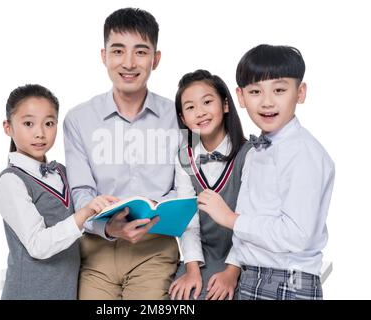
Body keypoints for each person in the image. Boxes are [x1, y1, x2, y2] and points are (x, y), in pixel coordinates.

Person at [197, 44, 335, 300]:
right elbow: (253, 216)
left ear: (300, 92)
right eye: (255, 91)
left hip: (288, 282)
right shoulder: (255, 152)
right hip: (252, 277)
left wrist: (230, 219)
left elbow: (298, 235)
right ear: (240, 97)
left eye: (280, 90)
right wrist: (234, 267)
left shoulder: (303, 153)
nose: (267, 101)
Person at [63, 7, 181, 300]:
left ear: (156, 59)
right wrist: (108, 227)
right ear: (104, 56)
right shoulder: (78, 119)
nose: (128, 63)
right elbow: (81, 191)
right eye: (118, 51)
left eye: (141, 52)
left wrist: (157, 209)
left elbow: (185, 187)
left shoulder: (178, 116)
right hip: (96, 249)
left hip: (154, 248)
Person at [0, 84, 116, 299]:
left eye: (49, 123)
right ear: (8, 127)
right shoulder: (11, 181)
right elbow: (38, 245)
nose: (40, 133)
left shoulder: (63, 172)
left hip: (66, 290)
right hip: (29, 293)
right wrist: (84, 213)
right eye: (28, 123)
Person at [168, 70, 251, 300]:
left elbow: (249, 221)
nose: (200, 112)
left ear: (225, 105)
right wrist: (192, 271)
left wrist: (231, 273)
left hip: (246, 255)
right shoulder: (184, 157)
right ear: (183, 118)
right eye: (190, 107)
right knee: (182, 295)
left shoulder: (249, 154)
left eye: (207, 101)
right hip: (202, 255)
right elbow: (189, 222)